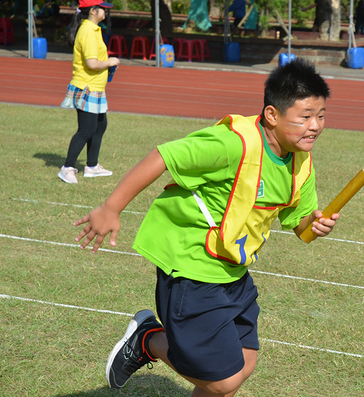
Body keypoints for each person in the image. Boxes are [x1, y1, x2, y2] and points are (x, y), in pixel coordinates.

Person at [73, 58, 339, 396]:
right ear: (272, 115)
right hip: (193, 265)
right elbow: (164, 156)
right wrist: (111, 207)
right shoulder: (232, 144)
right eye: (305, 117)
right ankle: (149, 340)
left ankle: (155, 343)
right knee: (222, 380)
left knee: (243, 363)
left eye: (321, 116)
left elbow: (299, 226)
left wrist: (314, 225)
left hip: (233, 270)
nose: (315, 125)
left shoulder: (300, 160)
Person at [58, 0, 120, 184]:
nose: (106, 12)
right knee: (87, 129)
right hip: (87, 87)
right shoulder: (87, 31)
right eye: (103, 9)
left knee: (100, 126)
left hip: (96, 88)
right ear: (93, 11)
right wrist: (110, 62)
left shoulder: (94, 29)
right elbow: (92, 64)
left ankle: (92, 167)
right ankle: (67, 168)